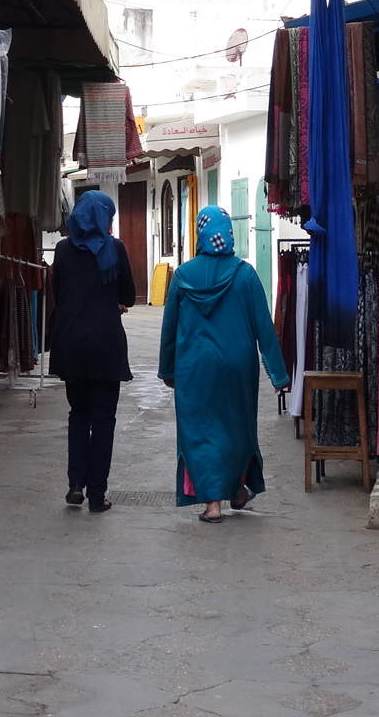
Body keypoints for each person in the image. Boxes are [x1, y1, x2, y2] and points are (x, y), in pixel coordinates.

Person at [159, 206, 289, 523]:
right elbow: (264, 326)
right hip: (237, 366)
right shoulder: (245, 274)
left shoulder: (183, 276)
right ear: (228, 233)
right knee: (236, 427)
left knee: (199, 431)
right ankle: (239, 489)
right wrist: (278, 373)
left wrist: (168, 370)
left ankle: (212, 504)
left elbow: (170, 328)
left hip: (194, 367)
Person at [48, 189, 137, 513]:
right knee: (103, 420)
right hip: (105, 346)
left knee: (78, 415)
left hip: (71, 344)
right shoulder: (115, 249)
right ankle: (97, 494)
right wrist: (112, 300)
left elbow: (59, 291)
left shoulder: (62, 250)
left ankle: (75, 484)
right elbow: (128, 294)